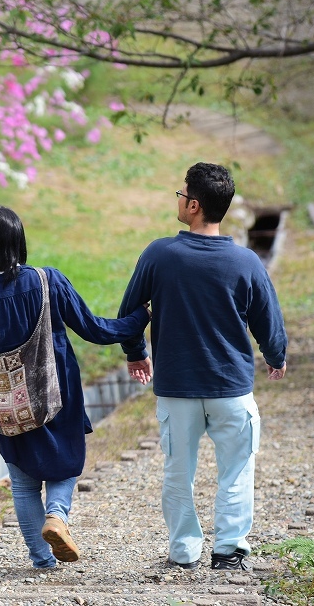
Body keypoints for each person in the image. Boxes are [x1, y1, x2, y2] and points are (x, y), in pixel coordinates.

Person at [117, 162, 288, 571]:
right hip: (230, 388)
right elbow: (269, 321)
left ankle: (183, 553)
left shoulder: (160, 254)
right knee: (236, 471)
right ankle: (228, 551)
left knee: (178, 473)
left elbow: (130, 311)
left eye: (181, 195)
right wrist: (275, 355)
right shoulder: (246, 262)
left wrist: (135, 351)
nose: (178, 200)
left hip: (177, 389)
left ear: (194, 205)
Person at [0, 205, 150, 569]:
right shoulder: (49, 281)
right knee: (66, 465)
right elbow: (95, 329)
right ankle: (57, 516)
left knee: (23, 482)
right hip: (58, 392)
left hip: (11, 404)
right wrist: (140, 317)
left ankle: (41, 560)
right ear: (19, 242)